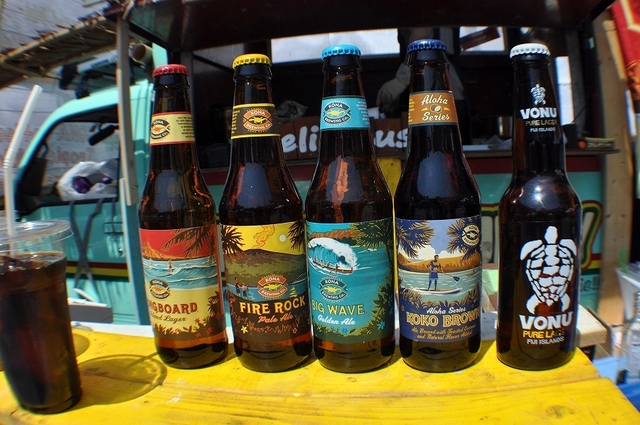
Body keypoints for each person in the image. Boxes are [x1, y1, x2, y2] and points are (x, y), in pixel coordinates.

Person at [376, 27, 472, 144]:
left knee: (430, 147)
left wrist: (402, 79)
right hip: (452, 90)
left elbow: (421, 34)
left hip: (428, 90)